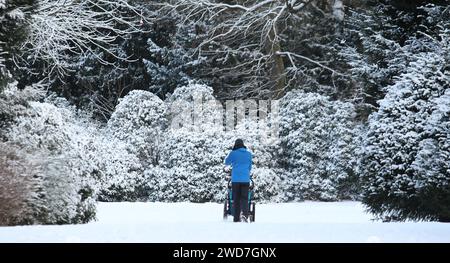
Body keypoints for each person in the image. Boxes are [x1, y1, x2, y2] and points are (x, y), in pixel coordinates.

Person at [224, 139, 253, 222]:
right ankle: (244, 214)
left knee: (236, 198)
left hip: (236, 179)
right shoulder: (249, 154)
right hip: (245, 179)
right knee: (244, 198)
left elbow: (226, 162)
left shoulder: (233, 153)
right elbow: (250, 167)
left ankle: (236, 218)